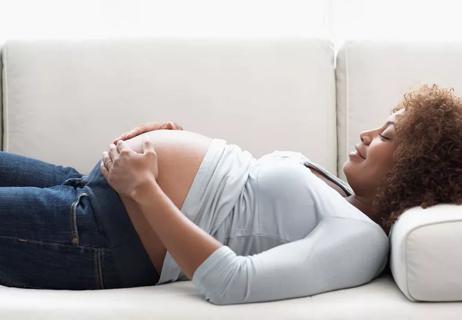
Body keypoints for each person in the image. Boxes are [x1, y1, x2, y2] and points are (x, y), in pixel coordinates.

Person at [0, 84, 461, 305]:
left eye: (387, 136)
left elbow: (233, 281)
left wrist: (144, 188)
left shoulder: (361, 239)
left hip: (98, 236)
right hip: (89, 191)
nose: (366, 134)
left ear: (413, 169)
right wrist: (174, 140)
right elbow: (233, 198)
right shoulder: (339, 192)